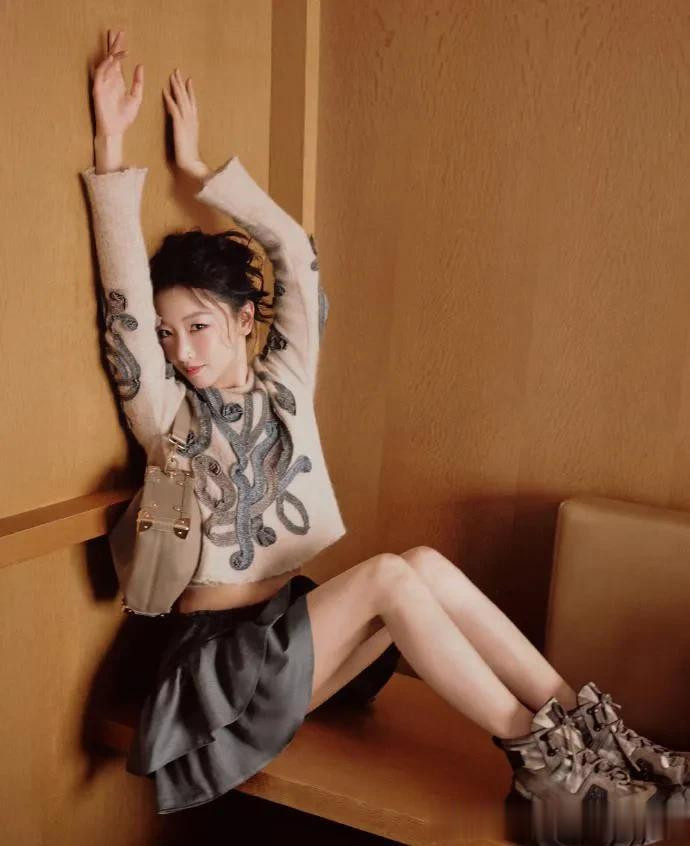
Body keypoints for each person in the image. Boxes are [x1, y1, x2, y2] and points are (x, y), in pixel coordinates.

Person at [81, 29, 689, 839]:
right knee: (390, 579)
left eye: (198, 326)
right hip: (219, 675)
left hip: (289, 636)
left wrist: (203, 173)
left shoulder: (285, 383)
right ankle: (552, 776)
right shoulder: (167, 414)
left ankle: (602, 741)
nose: (182, 351)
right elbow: (124, 304)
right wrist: (111, 146)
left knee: (423, 565)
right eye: (169, 335)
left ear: (246, 320)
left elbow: (295, 256)